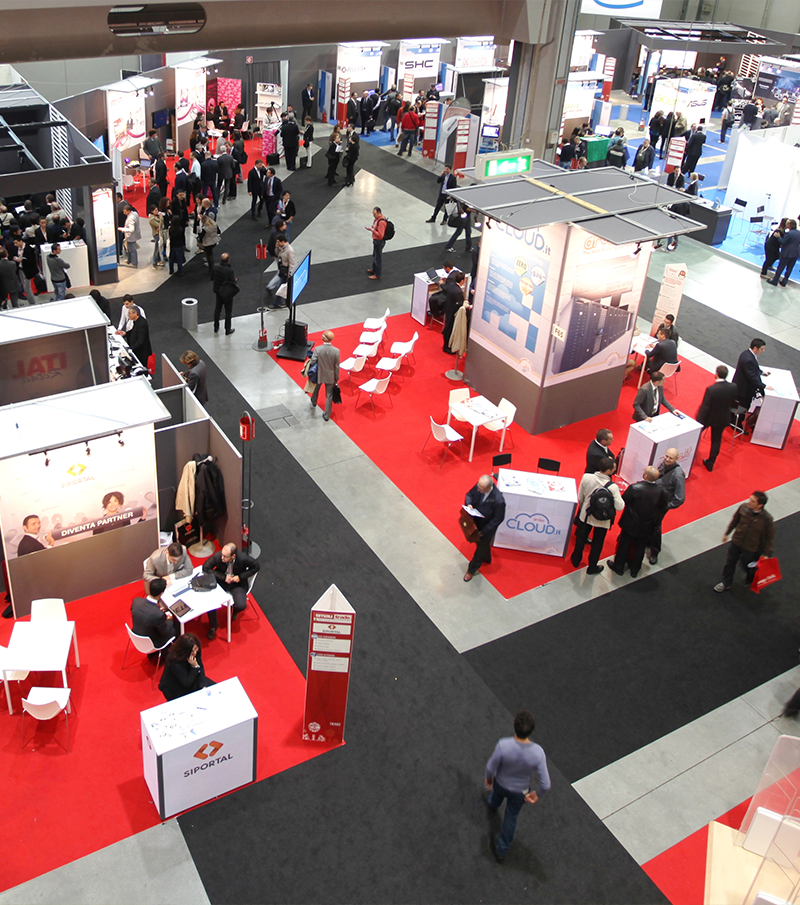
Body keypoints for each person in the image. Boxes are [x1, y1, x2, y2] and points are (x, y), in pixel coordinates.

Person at [485, 709, 550, 864]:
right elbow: (546, 784)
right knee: (510, 818)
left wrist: (489, 780)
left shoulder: (503, 745)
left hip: (501, 783)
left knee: (496, 796)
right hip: (520, 791)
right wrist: (537, 794)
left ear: (514, 724)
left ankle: (492, 804)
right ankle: (501, 851)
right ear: (531, 730)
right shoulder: (538, 753)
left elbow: (490, 767)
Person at [607, 467, 669, 578]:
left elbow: (624, 500)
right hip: (648, 525)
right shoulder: (661, 492)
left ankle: (619, 567)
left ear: (645, 476)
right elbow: (663, 507)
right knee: (640, 547)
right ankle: (635, 570)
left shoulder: (635, 488)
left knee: (624, 545)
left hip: (630, 523)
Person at [571, 456, 624, 573]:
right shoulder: (613, 487)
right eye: (614, 468)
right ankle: (592, 566)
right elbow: (620, 507)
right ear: (609, 471)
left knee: (581, 538)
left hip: (586, 515)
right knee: (597, 544)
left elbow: (581, 496)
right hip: (603, 519)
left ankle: (575, 560)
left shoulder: (587, 477)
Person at [714, 492, 774, 592]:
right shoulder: (743, 508)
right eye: (750, 499)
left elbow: (769, 538)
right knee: (730, 563)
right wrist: (727, 533)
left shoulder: (767, 519)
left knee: (748, 565)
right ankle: (726, 583)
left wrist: (767, 553)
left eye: (752, 501)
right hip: (736, 542)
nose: (749, 502)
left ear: (760, 505)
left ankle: (751, 577)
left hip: (751, 548)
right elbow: (735, 520)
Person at [202, 543, 260, 639]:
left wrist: (240, 577)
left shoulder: (243, 558)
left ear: (233, 556)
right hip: (221, 583)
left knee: (241, 605)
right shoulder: (218, 556)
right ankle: (213, 626)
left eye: (225, 556)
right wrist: (223, 577)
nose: (222, 558)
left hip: (237, 584)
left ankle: (235, 610)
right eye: (222, 555)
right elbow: (206, 568)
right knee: (210, 601)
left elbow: (256, 567)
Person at [463, 474, 506, 582]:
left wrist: (484, 531)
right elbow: (469, 494)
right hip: (476, 522)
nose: (478, 489)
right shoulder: (480, 486)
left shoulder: (498, 500)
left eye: (481, 489)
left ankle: (471, 570)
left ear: (488, 488)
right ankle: (487, 558)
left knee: (480, 549)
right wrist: (469, 505)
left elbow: (498, 519)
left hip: (486, 528)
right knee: (481, 544)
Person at [647, 448, 685, 565]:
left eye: (671, 458)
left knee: (656, 527)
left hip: (662, 504)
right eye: (666, 456)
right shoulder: (663, 464)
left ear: (677, 459)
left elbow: (680, 498)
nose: (667, 459)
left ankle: (655, 551)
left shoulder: (678, 475)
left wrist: (666, 506)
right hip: (654, 498)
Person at [697, 365, 739, 472]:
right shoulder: (733, 387)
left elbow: (705, 407)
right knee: (716, 440)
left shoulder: (711, 389)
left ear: (716, 374)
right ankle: (711, 462)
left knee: (697, 435)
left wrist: (699, 421)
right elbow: (734, 403)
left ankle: (691, 453)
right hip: (723, 418)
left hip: (709, 418)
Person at [158, 633, 215, 701]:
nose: (195, 652)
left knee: (213, 688)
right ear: (185, 651)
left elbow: (200, 668)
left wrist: (203, 686)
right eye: (192, 651)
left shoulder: (196, 651)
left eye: (196, 649)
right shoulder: (174, 661)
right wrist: (195, 667)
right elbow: (187, 682)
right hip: (175, 687)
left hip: (190, 675)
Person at [131, 577, 179, 647]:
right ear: (161, 594)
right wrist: (170, 619)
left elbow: (144, 613)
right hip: (152, 642)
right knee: (176, 626)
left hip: (137, 636)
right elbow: (166, 632)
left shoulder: (136, 601)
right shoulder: (158, 614)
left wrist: (157, 611)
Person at [309, 330, 340, 422]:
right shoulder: (336, 351)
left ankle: (314, 401)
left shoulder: (318, 349)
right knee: (329, 395)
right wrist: (336, 377)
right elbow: (337, 366)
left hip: (319, 374)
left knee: (316, 388)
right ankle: (327, 415)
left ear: (324, 338)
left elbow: (312, 361)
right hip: (330, 376)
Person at [732, 338, 769, 409]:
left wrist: (761, 372)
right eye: (762, 349)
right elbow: (751, 376)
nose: (763, 351)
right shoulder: (748, 359)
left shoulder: (747, 354)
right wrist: (764, 386)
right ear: (755, 348)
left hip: (740, 387)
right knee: (743, 407)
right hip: (743, 390)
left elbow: (753, 368)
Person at [212, 252, 238, 336]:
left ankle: (216, 327)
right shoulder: (229, 270)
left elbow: (212, 277)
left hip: (217, 291)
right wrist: (235, 280)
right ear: (228, 260)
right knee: (228, 311)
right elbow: (231, 282)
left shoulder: (215, 267)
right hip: (226, 293)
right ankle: (227, 329)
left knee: (217, 310)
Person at [768, 219, 800, 287]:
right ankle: (784, 282)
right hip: (795, 254)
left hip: (787, 253)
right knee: (789, 268)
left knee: (780, 267)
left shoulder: (789, 234)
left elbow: (783, 242)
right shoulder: (798, 233)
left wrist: (778, 237)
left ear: (789, 226)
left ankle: (775, 280)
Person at [266, 235, 295, 307]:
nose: (277, 243)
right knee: (285, 288)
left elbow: (292, 264)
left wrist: (289, 275)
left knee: (280, 287)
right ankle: (288, 302)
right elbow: (277, 254)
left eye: (278, 242)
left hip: (285, 271)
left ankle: (276, 304)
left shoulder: (289, 250)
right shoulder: (281, 248)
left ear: (283, 241)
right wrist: (277, 247)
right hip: (282, 269)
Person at [441, 270, 465, 354]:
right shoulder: (458, 292)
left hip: (448, 310)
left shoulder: (451, 285)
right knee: (450, 329)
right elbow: (459, 305)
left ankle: (447, 345)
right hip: (453, 314)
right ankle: (447, 347)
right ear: (462, 281)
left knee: (448, 328)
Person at [366, 207, 387, 281]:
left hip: (379, 241)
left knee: (378, 258)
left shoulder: (381, 222)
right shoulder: (377, 219)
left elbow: (381, 235)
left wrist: (372, 230)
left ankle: (378, 275)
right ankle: (374, 270)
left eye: (374, 214)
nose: (373, 215)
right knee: (375, 255)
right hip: (376, 240)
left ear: (379, 213)